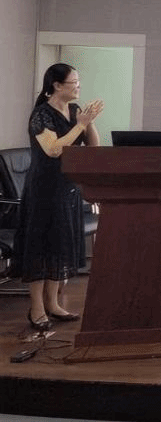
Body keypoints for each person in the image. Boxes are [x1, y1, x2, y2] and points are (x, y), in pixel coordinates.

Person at [15, 64, 103, 331]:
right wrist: (80, 125)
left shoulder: (75, 111)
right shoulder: (42, 114)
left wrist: (89, 122)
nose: (78, 86)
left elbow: (94, 147)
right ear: (56, 85)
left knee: (59, 248)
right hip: (44, 190)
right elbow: (53, 149)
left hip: (68, 188)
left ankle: (53, 304)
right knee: (40, 249)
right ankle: (37, 309)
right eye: (74, 82)